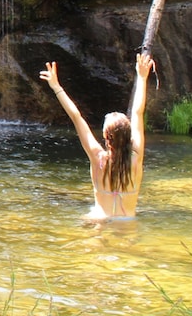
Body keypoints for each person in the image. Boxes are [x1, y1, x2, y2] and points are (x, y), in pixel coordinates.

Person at [39, 52, 156, 219]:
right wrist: (142, 78)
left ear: (106, 138)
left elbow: (76, 117)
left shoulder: (98, 158)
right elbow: (137, 113)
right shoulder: (135, 159)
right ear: (128, 136)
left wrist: (56, 87)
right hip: (127, 223)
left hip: (98, 221)